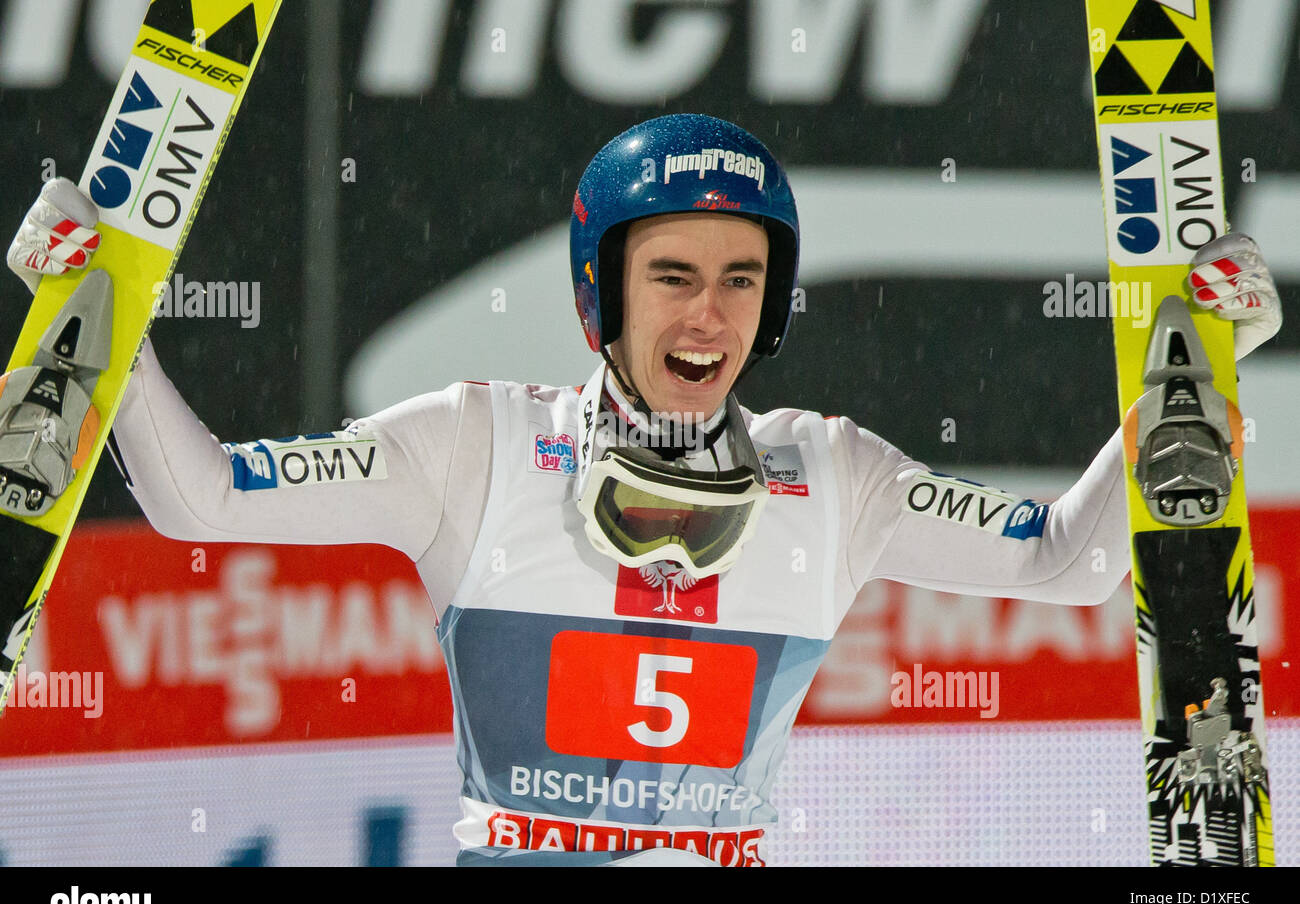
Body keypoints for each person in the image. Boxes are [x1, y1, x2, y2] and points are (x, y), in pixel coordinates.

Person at [6, 114, 1283, 866]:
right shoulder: (476, 444)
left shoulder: (829, 471)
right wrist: (100, 326)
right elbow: (204, 499)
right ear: (597, 293)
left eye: (742, 277)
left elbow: (1069, 561)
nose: (710, 311)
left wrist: (1193, 374)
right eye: (672, 273)